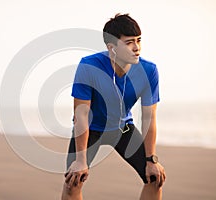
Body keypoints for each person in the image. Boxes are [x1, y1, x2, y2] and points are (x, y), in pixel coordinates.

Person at [61, 13, 166, 200]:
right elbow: (81, 115)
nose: (137, 48)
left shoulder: (149, 71)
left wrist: (151, 159)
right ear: (112, 47)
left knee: (154, 178)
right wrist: (80, 160)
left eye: (139, 41)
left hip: (123, 129)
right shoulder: (89, 66)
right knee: (73, 182)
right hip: (91, 130)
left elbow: (149, 117)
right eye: (129, 43)